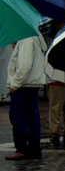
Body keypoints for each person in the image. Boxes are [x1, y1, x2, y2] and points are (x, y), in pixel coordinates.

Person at [5, 32, 47, 161]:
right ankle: (33, 149)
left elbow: (24, 65)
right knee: (31, 117)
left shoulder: (27, 38)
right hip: (31, 84)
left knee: (18, 117)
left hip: (24, 84)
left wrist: (15, 84)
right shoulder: (36, 37)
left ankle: (22, 149)